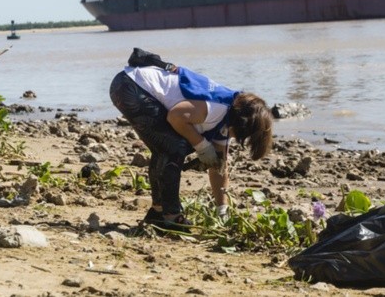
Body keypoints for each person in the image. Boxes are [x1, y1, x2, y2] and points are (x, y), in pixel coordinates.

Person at [109, 62, 273, 232]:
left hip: (128, 86)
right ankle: (171, 216)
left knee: (167, 147)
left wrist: (222, 210)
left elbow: (219, 165)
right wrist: (201, 145)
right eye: (241, 136)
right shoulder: (216, 107)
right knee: (175, 146)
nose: (235, 138)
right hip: (129, 86)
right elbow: (176, 116)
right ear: (241, 124)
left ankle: (158, 212)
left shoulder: (228, 120)